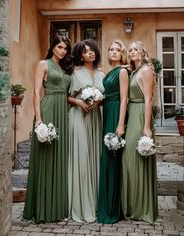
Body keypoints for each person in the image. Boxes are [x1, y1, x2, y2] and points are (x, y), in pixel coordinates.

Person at [23, 35, 73, 223]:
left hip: (63, 113)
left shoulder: (66, 68)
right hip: (49, 110)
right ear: (52, 47)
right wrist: (39, 120)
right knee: (45, 159)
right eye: (60, 47)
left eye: (65, 48)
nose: (63, 51)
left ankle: (57, 208)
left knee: (59, 158)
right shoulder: (43, 64)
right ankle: (43, 209)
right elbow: (36, 92)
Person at [68, 39, 105, 222]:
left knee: (94, 156)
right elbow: (66, 95)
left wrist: (98, 101)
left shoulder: (101, 73)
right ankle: (80, 204)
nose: (90, 53)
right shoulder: (74, 72)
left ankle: (96, 203)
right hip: (78, 117)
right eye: (85, 51)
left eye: (92, 50)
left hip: (95, 118)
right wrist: (79, 102)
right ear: (80, 55)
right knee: (82, 158)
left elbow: (104, 96)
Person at [121, 41, 158, 224]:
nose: (132, 51)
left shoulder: (146, 71)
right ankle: (133, 205)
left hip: (141, 115)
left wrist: (146, 126)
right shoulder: (134, 71)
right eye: (130, 50)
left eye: (136, 49)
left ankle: (142, 208)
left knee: (136, 158)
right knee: (130, 159)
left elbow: (149, 99)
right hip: (133, 114)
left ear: (143, 53)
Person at [98, 39, 129, 224]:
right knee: (107, 157)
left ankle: (112, 209)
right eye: (111, 49)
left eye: (118, 49)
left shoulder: (123, 71)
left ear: (122, 53)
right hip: (107, 109)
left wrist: (120, 124)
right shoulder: (110, 72)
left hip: (116, 112)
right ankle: (105, 204)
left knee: (113, 156)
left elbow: (124, 98)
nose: (114, 52)